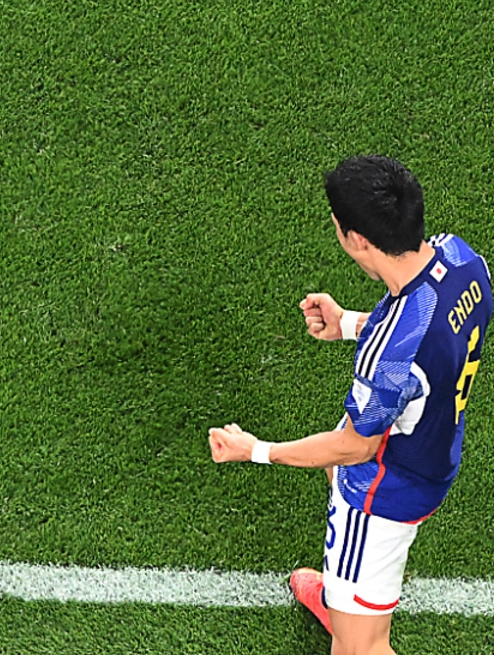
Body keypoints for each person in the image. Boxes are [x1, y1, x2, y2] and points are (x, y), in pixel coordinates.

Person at [208, 155, 490, 655]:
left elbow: (354, 448)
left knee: (359, 650)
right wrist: (349, 323)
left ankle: (352, 620)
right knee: (337, 470)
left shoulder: (390, 356)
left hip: (384, 487)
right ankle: (343, 599)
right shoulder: (463, 259)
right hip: (433, 441)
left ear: (357, 239)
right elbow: (426, 331)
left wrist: (255, 450)